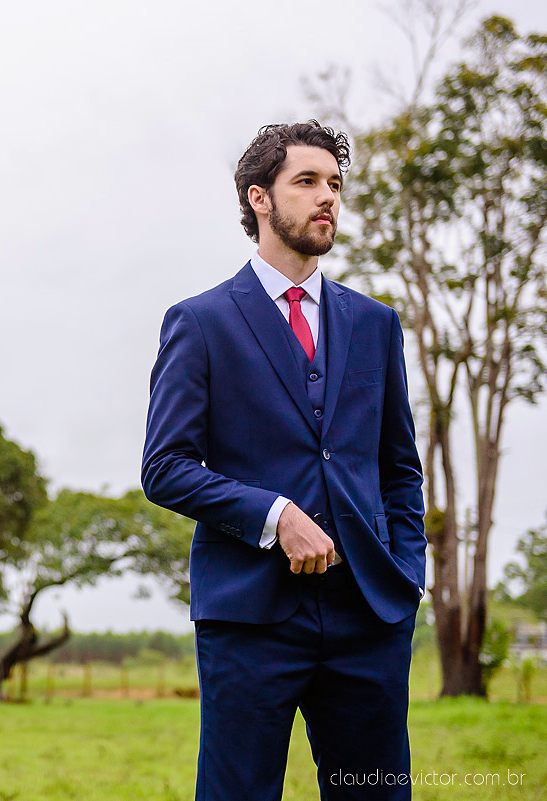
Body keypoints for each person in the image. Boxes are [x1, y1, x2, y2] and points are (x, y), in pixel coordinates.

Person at [141, 121, 426, 801]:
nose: (327, 197)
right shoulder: (201, 321)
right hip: (249, 616)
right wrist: (275, 514)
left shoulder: (376, 323)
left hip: (368, 614)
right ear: (259, 198)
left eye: (334, 183)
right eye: (307, 182)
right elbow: (166, 465)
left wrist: (407, 571)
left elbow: (400, 468)